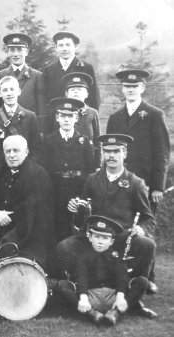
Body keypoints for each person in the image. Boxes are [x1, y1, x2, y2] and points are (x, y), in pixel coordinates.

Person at [55, 134, 157, 318]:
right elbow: (83, 211)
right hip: (93, 236)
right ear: (102, 153)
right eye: (107, 151)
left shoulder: (135, 183)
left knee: (147, 245)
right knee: (64, 247)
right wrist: (76, 209)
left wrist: (141, 229)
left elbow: (148, 218)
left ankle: (134, 295)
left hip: (121, 238)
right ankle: (79, 291)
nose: (111, 156)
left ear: (124, 153)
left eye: (116, 151)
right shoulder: (92, 179)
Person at [0, 135, 53, 291]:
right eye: (8, 151)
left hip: (26, 230)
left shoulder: (38, 174)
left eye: (16, 151)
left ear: (26, 152)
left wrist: (11, 216)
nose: (12, 155)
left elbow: (39, 209)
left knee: (2, 249)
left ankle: (3, 297)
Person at [55, 216, 152, 325]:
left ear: (111, 241)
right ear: (90, 237)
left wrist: (120, 297)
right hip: (91, 297)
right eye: (97, 237)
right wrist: (83, 299)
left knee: (142, 281)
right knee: (62, 285)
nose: (100, 242)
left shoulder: (116, 256)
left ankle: (115, 313)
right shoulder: (83, 257)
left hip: (112, 297)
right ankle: (92, 314)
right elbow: (82, 277)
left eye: (105, 238)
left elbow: (122, 277)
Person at [106, 69, 170, 212]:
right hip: (118, 182)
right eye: (127, 86)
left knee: (142, 227)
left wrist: (158, 186)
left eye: (135, 86)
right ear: (122, 88)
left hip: (145, 182)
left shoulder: (155, 115)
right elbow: (109, 152)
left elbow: (162, 153)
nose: (131, 90)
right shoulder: (114, 118)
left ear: (142, 88)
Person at [39, 97, 95, 241]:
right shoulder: (48, 141)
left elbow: (90, 172)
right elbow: (43, 169)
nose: (66, 120)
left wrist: (81, 197)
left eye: (70, 116)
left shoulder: (84, 141)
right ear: (57, 117)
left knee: (76, 232)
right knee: (55, 231)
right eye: (63, 116)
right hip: (55, 193)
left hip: (77, 193)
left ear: (76, 118)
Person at [43, 31, 100, 133]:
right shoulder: (49, 70)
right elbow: (46, 100)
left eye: (68, 45)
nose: (64, 48)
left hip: (80, 124)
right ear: (56, 47)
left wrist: (89, 120)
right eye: (60, 45)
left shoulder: (86, 68)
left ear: (75, 47)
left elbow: (93, 98)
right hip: (56, 124)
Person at [0, 76, 42, 167]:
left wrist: (28, 165)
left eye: (12, 89)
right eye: (5, 90)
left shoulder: (30, 116)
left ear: (19, 92)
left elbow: (36, 147)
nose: (9, 93)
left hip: (24, 166)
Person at [0, 33, 46, 126]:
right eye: (12, 50)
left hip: (29, 125)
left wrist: (40, 131)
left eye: (20, 50)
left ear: (26, 52)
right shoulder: (0, 75)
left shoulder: (37, 76)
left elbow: (41, 108)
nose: (16, 54)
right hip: (6, 125)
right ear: (8, 52)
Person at [62, 72, 101, 166]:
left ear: (86, 94)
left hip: (88, 161)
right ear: (66, 94)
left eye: (80, 89)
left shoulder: (92, 113)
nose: (76, 92)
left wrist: (98, 165)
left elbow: (98, 141)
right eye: (72, 89)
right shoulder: (61, 113)